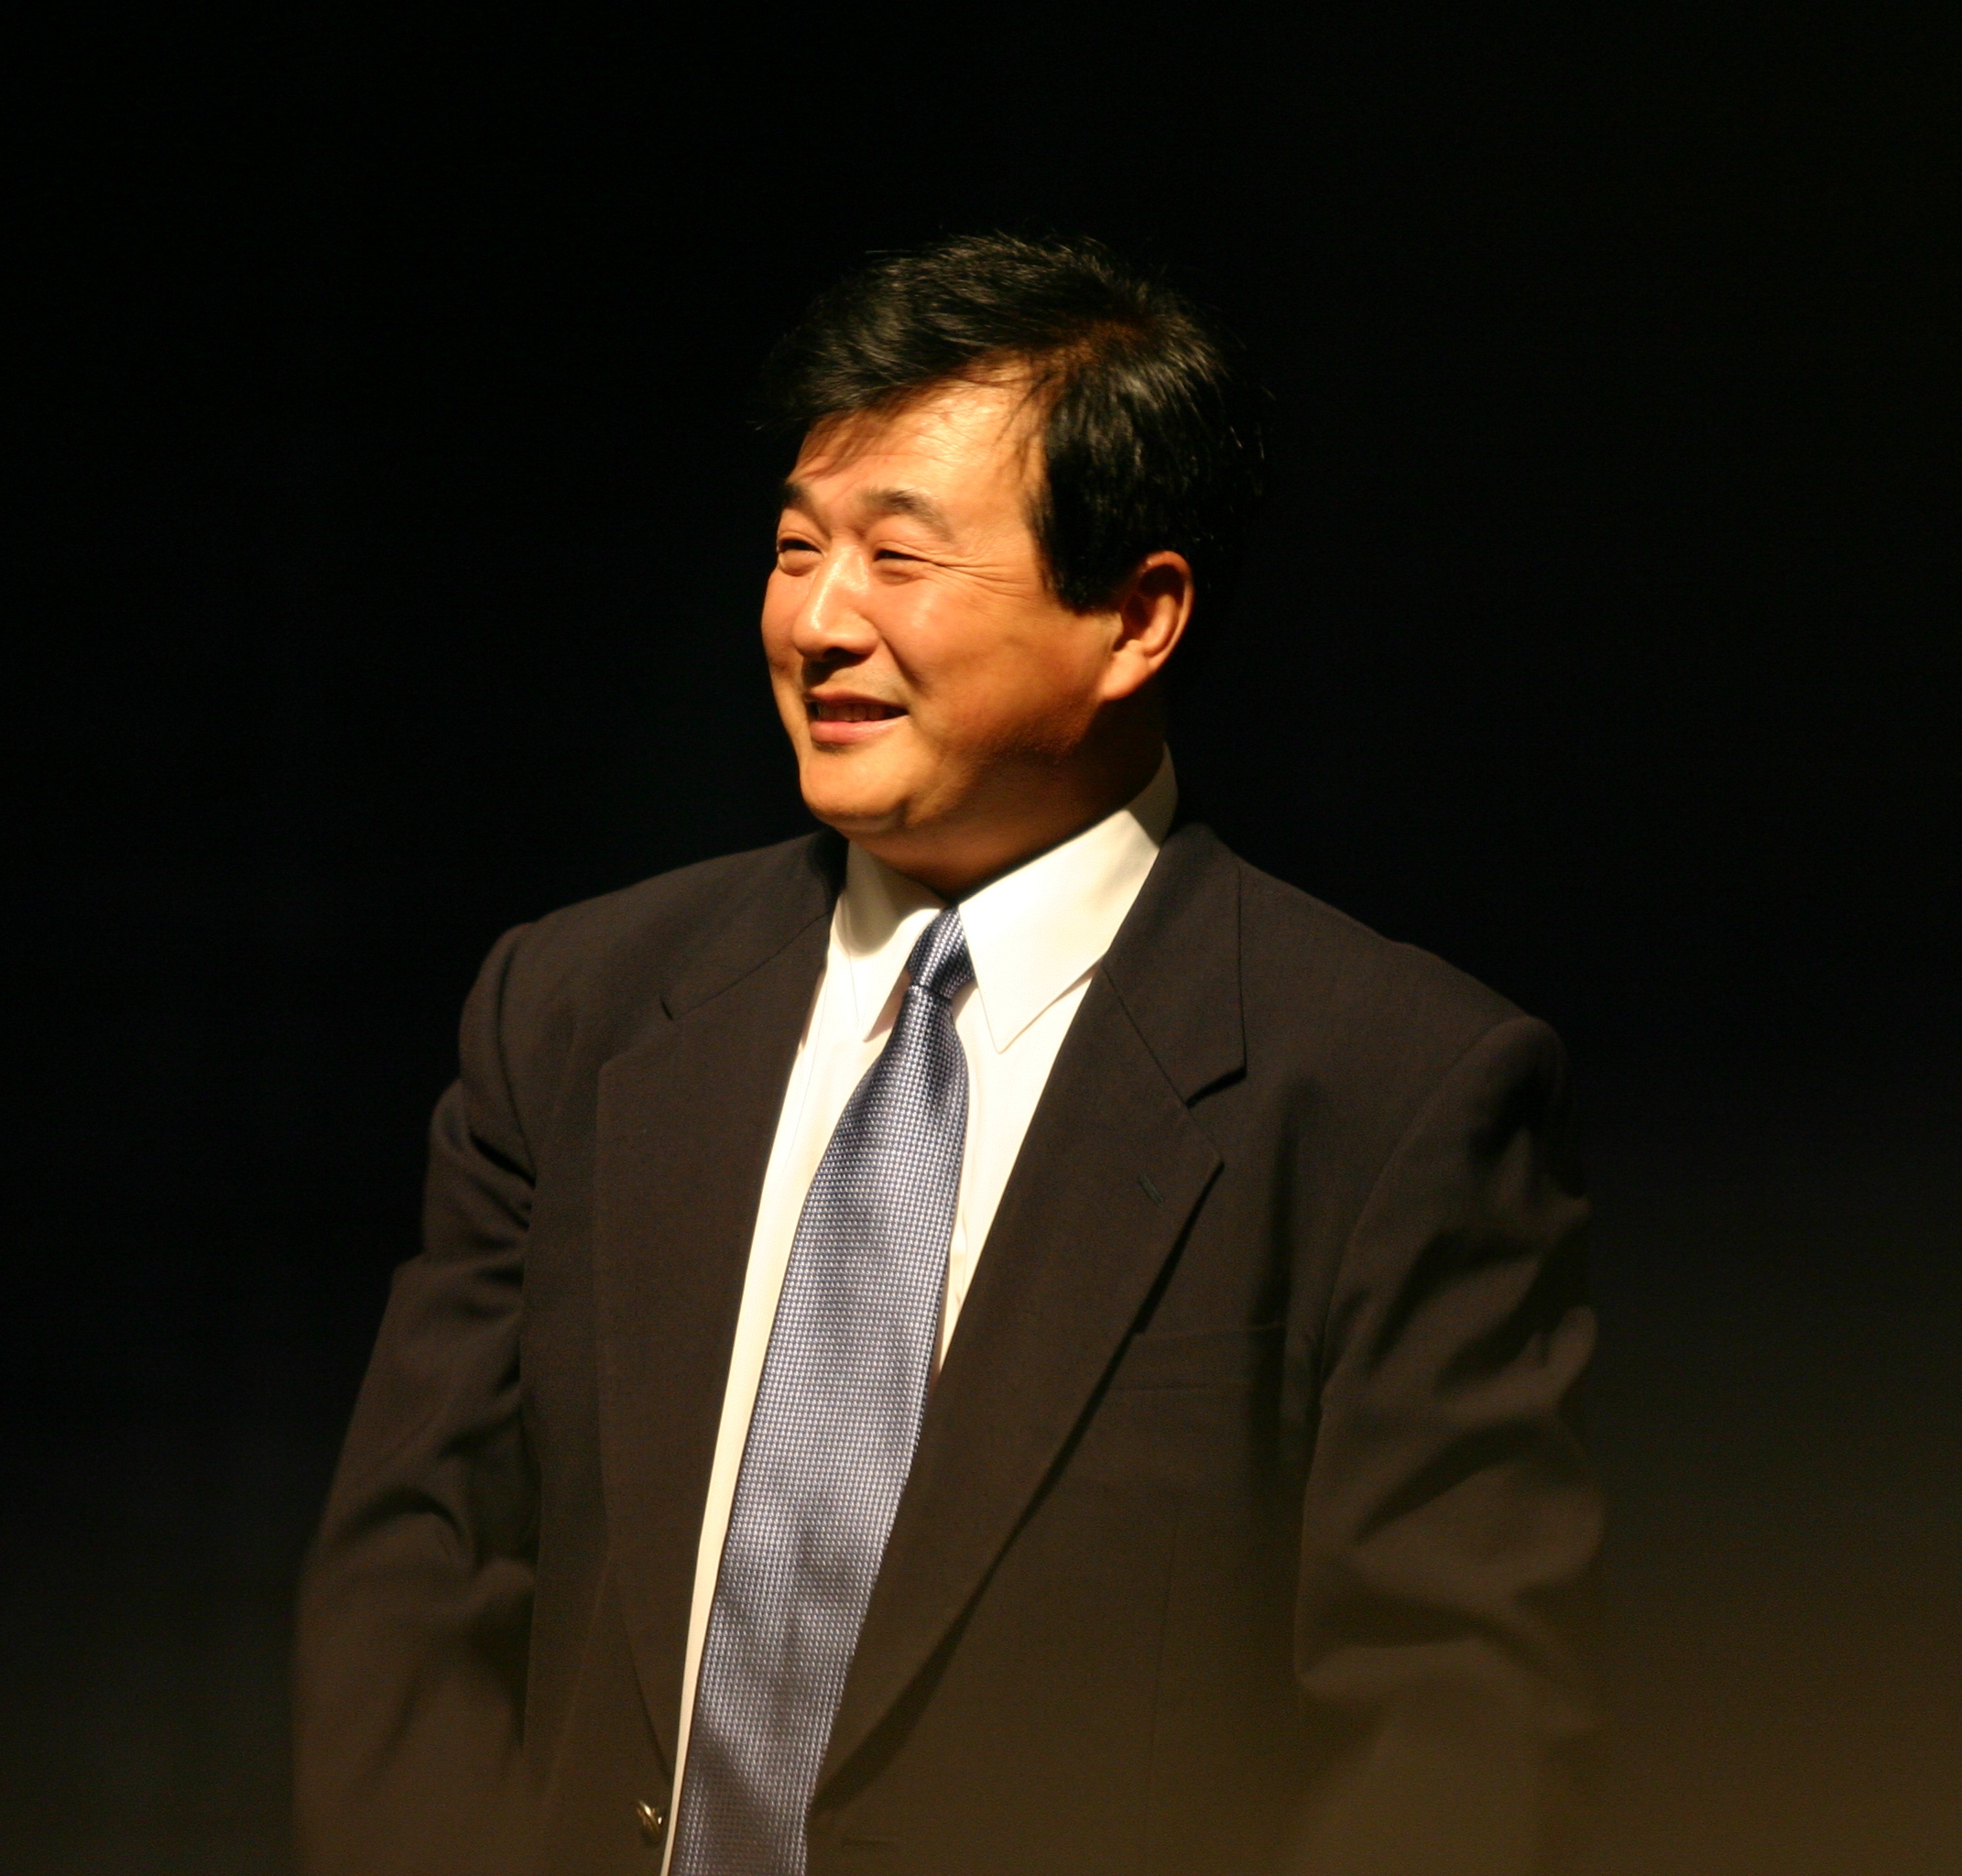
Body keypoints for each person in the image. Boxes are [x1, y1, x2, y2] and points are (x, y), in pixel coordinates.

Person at [295, 234, 1601, 1876]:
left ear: (1135, 618)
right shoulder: (576, 1009)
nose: (817, 620)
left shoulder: (1389, 1088)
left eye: (897, 557)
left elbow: (1453, 1728)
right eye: (795, 547)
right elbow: (414, 1583)